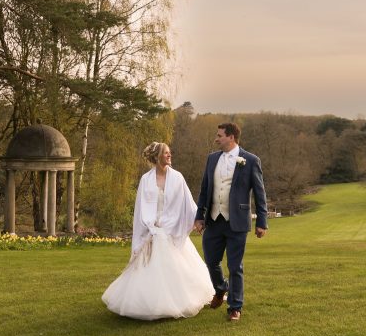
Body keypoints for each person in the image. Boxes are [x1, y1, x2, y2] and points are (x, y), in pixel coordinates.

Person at [102, 142, 214, 320]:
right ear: (157, 157)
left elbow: (188, 203)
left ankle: (178, 301)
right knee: (147, 267)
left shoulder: (177, 177)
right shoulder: (146, 179)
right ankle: (145, 303)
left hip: (170, 229)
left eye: (170, 152)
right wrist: (144, 229)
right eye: (166, 153)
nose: (169, 155)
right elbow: (140, 208)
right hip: (151, 229)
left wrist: (198, 220)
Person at [193, 122, 268, 322]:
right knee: (211, 261)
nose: (216, 139)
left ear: (231, 137)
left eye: (219, 135)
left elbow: (260, 194)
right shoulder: (211, 159)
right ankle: (220, 289)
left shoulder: (250, 160)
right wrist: (200, 216)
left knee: (235, 266)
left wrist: (262, 221)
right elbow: (204, 189)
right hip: (214, 220)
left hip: (237, 221)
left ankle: (235, 306)